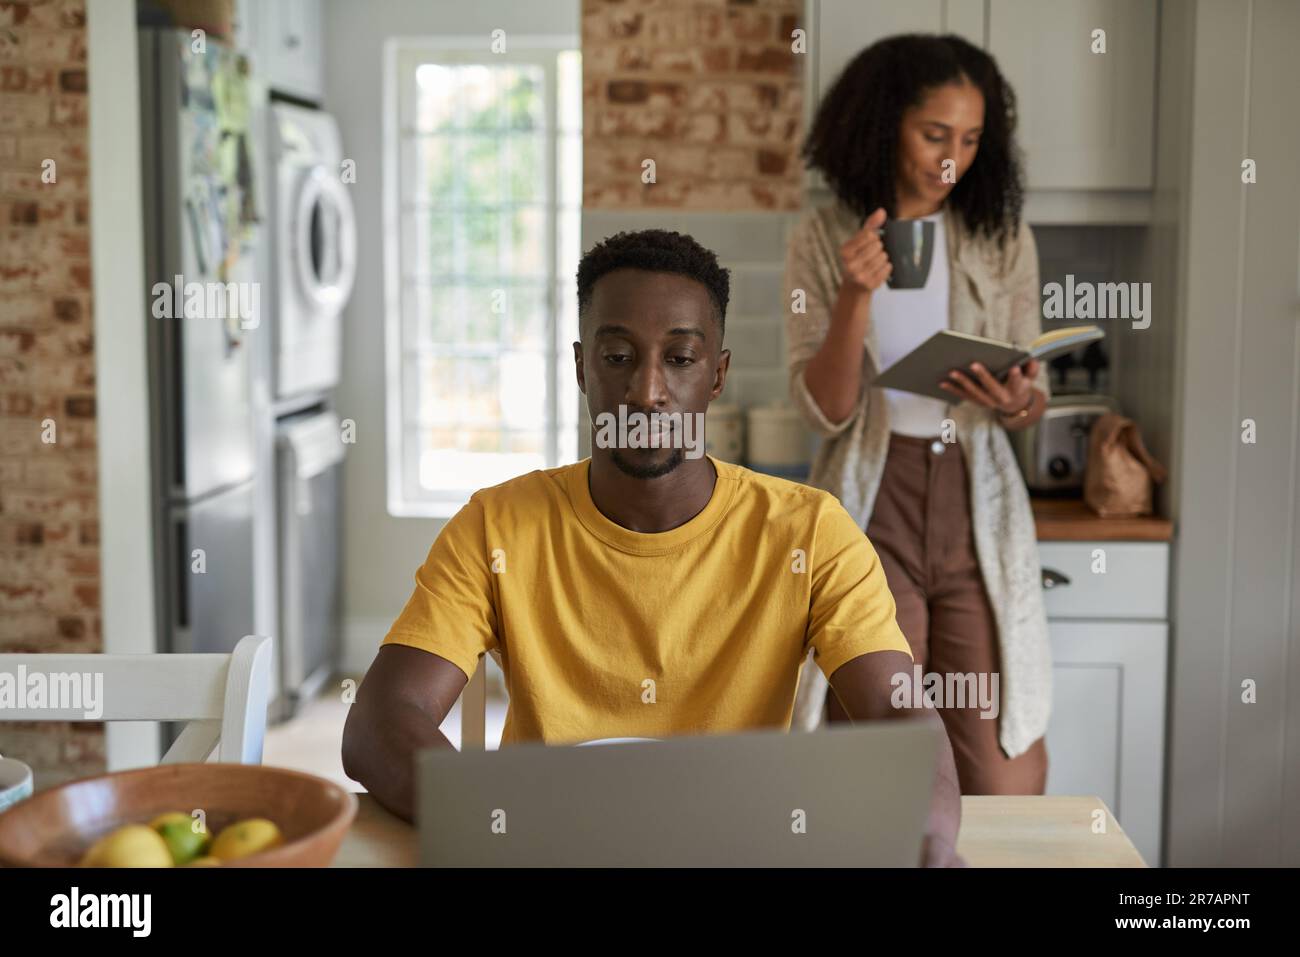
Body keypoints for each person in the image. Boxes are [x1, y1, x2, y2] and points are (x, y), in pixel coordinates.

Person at [342, 229, 964, 865]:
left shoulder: (810, 531)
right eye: (618, 357)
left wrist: (932, 839)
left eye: (680, 358)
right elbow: (381, 719)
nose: (646, 391)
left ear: (717, 375)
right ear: (581, 367)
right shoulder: (495, 526)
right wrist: (494, 818)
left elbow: (896, 710)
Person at [784, 33, 1053, 794]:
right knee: (880, 746)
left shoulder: (1002, 238)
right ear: (881, 124)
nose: (951, 159)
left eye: (970, 140)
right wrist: (854, 295)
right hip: (873, 505)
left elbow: (1031, 394)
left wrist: (1018, 399)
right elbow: (826, 410)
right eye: (934, 134)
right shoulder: (818, 238)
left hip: (976, 501)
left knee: (1001, 765)